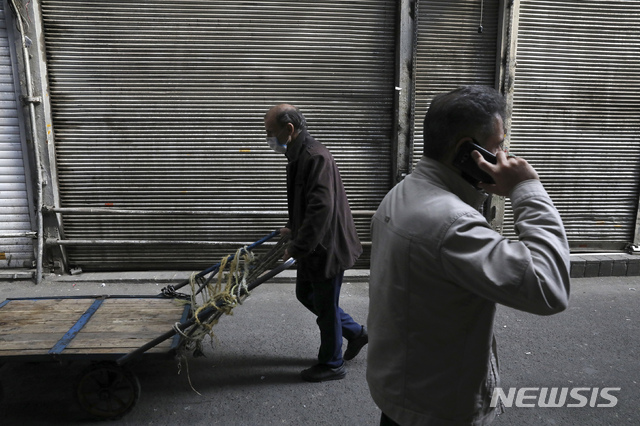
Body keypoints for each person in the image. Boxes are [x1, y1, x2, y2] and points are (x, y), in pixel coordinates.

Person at [367, 85, 571, 425]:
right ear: (468, 152)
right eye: (498, 146)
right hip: (439, 408)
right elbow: (549, 288)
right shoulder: (453, 225)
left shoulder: (404, 192)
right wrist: (526, 188)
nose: (504, 156)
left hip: (403, 394)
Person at [263, 103, 368, 382]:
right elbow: (307, 201)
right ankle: (356, 333)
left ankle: (333, 363)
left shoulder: (314, 156)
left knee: (324, 305)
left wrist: (297, 246)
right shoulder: (299, 155)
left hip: (326, 246)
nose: (267, 139)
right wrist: (292, 227)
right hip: (315, 244)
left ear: (289, 129)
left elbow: (321, 208)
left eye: (270, 132)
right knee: (307, 295)